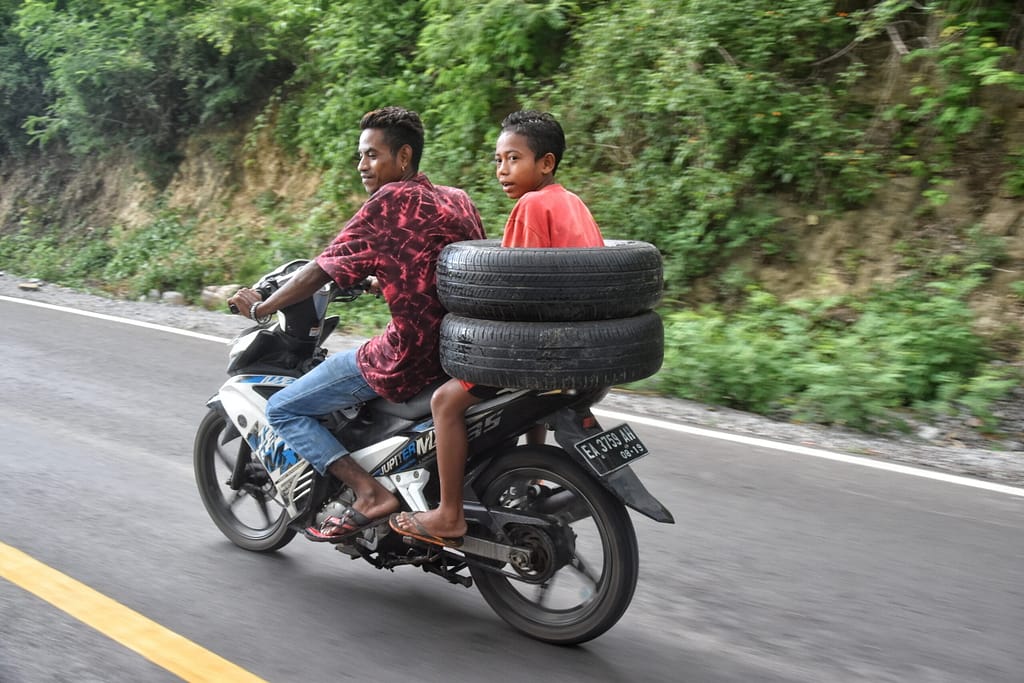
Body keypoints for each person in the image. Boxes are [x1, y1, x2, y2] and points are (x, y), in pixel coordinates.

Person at [228, 106, 485, 542]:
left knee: (283, 408)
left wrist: (265, 306)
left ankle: (368, 494)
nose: (362, 165)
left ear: (403, 158)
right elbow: (442, 270)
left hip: (410, 354)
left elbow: (320, 269)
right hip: (461, 346)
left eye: (371, 155)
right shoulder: (456, 198)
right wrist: (377, 282)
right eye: (360, 156)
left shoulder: (389, 201)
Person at [389, 110, 605, 547]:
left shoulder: (531, 205)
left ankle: (448, 514)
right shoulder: (572, 201)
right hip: (583, 346)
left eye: (513, 159)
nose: (502, 170)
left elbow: (514, 291)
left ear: (546, 163)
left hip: (541, 347)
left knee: (446, 402)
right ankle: (531, 479)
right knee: (527, 394)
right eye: (498, 160)